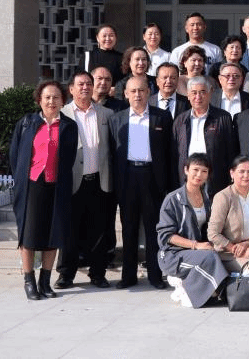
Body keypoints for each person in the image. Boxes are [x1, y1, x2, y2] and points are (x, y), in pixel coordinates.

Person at [10, 80, 78, 300]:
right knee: (28, 235)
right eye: (47, 97)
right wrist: (21, 180)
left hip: (56, 186)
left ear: (63, 101)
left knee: (53, 234)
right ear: (39, 100)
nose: (51, 101)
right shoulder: (27, 123)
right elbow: (15, 155)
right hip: (32, 186)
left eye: (56, 97)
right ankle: (29, 281)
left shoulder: (69, 126)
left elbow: (69, 158)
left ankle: (45, 282)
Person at [109, 75, 173, 290]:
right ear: (126, 94)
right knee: (129, 228)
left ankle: (155, 275)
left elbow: (169, 151)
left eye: (141, 90)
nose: (137, 95)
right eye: (133, 91)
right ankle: (128, 276)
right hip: (127, 177)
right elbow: (112, 153)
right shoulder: (117, 119)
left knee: (154, 229)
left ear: (148, 93)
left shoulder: (161, 117)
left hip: (151, 177)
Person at [57, 71, 113, 290]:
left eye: (89, 83)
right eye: (80, 84)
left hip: (98, 181)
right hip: (72, 182)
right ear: (71, 89)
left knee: (99, 230)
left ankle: (98, 273)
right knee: (69, 230)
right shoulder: (62, 114)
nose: (85, 87)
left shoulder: (106, 114)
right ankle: (66, 274)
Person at [156, 153, 228, 308]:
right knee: (210, 257)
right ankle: (187, 287)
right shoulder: (173, 199)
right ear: (186, 170)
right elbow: (167, 236)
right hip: (172, 254)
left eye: (204, 171)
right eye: (195, 169)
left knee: (219, 255)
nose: (199, 175)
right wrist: (196, 245)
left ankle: (198, 288)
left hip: (197, 253)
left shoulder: (207, 199)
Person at [172, 76, 236, 197]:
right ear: (188, 95)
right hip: (187, 178)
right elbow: (175, 154)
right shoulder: (180, 120)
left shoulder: (223, 118)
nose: (198, 97)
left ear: (210, 93)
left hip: (215, 179)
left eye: (202, 92)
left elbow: (231, 151)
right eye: (194, 93)